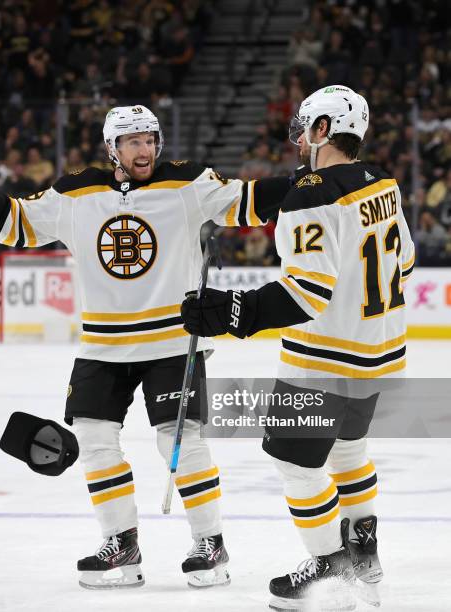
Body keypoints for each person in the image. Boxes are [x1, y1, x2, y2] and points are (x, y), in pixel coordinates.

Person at [0, 105, 292, 590]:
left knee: (178, 443)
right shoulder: (76, 192)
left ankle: (211, 543)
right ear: (112, 148)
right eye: (134, 141)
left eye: (150, 140)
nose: (145, 150)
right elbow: (17, 222)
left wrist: (308, 182)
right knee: (96, 444)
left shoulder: (186, 183)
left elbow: (248, 201)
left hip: (171, 338)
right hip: (102, 343)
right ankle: (121, 543)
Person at [181, 85, 415, 610]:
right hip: (379, 353)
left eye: (308, 127)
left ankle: (330, 571)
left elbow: (305, 294)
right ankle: (365, 560)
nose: (302, 140)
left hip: (323, 359)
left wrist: (230, 312)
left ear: (324, 129)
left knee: (293, 462)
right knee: (348, 452)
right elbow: (406, 262)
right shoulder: (383, 182)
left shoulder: (310, 192)